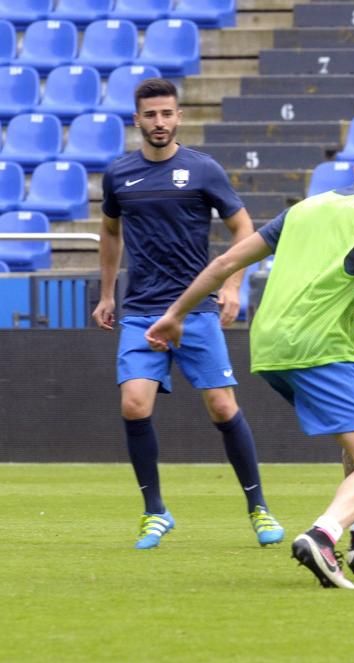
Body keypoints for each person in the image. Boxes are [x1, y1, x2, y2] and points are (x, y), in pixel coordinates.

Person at [145, 129, 354, 589]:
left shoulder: (305, 208)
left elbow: (225, 264)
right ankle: (323, 536)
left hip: (271, 346)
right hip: (318, 348)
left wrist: (175, 315)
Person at [92, 78, 283, 550]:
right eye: (150, 115)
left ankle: (258, 507)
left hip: (196, 311)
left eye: (167, 114)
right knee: (134, 404)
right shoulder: (119, 175)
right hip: (141, 311)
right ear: (137, 120)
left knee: (222, 406)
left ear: (179, 117)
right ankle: (155, 511)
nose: (160, 122)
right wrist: (107, 293)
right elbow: (110, 232)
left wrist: (235, 285)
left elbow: (244, 229)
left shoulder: (203, 170)